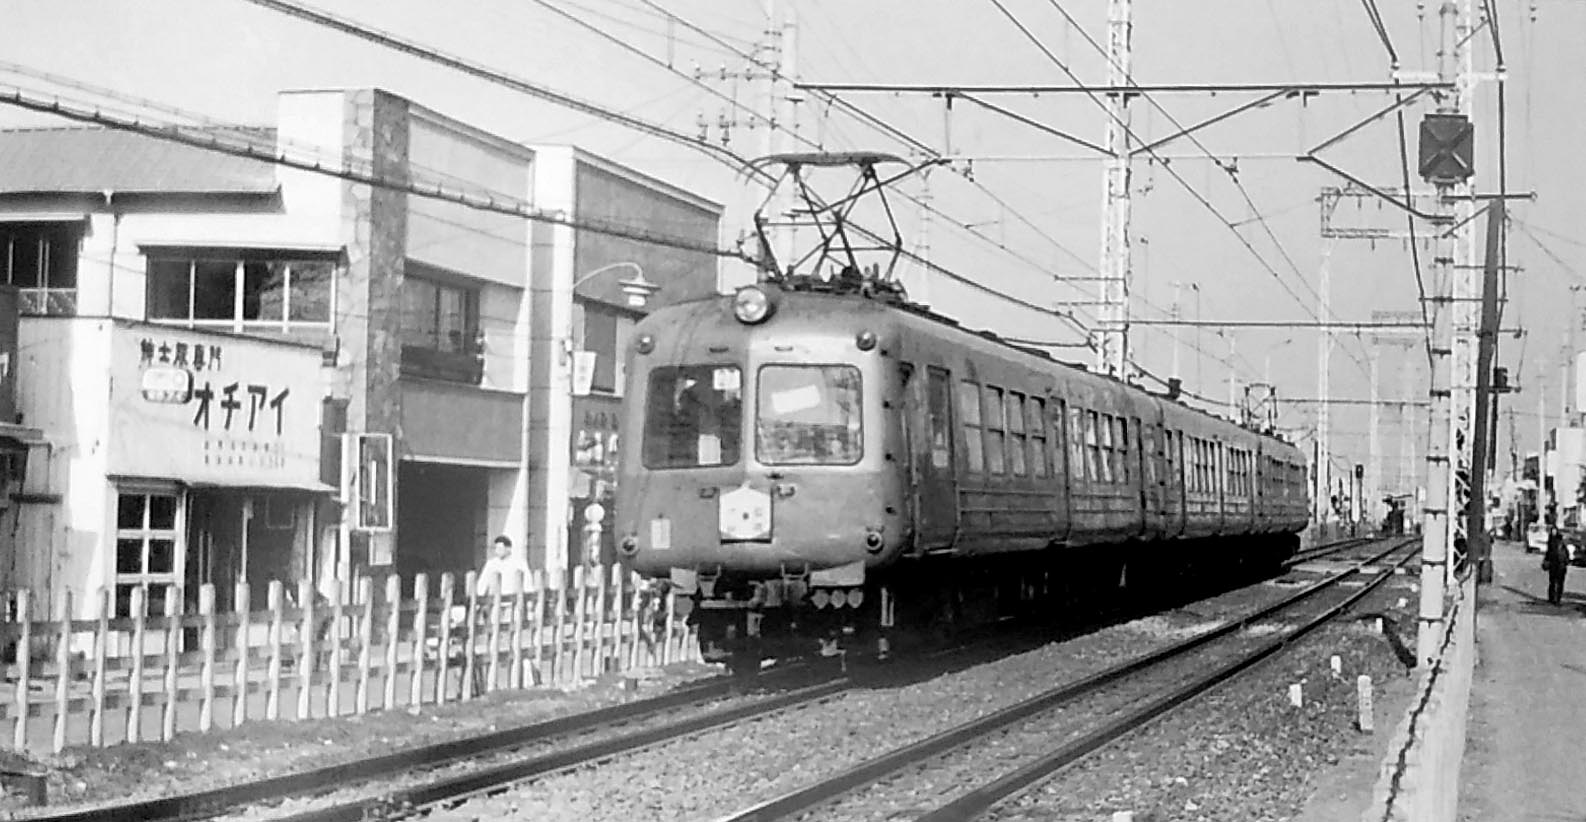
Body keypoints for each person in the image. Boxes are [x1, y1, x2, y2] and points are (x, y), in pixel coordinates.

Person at [1544, 526, 1570, 605]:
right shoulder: (1550, 541)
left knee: (1559, 582)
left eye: (1554, 531)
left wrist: (1565, 561)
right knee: (1552, 581)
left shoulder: (1561, 540)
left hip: (1560, 564)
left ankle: (1557, 599)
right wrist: (1546, 560)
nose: (1553, 532)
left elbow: (1566, 553)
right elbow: (1548, 552)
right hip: (1553, 564)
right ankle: (1552, 598)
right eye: (1552, 531)